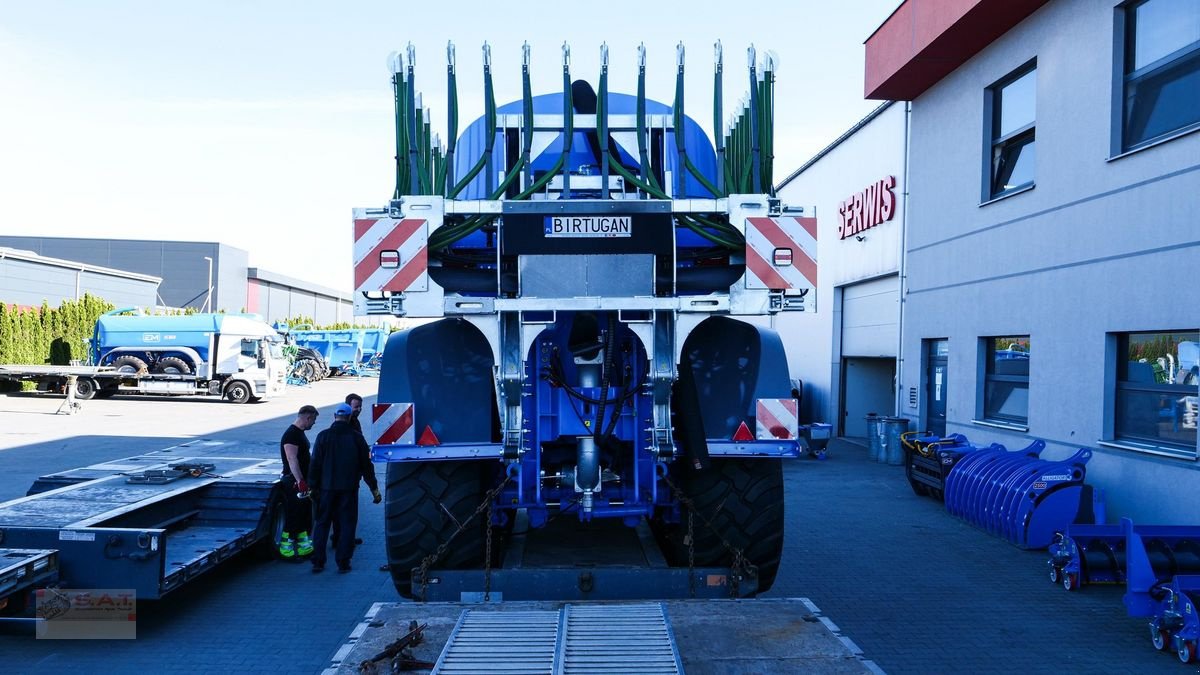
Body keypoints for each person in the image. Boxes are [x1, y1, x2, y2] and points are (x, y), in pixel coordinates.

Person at [309, 403, 381, 573]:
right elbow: (366, 466)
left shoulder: (323, 436)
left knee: (322, 523)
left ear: (334, 416)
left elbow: (315, 464)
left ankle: (318, 561)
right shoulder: (357, 438)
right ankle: (343, 562)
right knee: (348, 524)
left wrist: (312, 486)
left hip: (326, 489)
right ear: (349, 418)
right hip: (348, 489)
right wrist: (374, 489)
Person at [279, 405, 318, 560]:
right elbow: (291, 459)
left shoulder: (298, 434)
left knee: (303, 515)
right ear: (308, 417)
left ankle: (304, 548)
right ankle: (286, 550)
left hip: (300, 482)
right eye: (313, 420)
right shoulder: (292, 435)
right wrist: (300, 481)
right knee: (294, 516)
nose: (314, 423)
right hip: (293, 482)